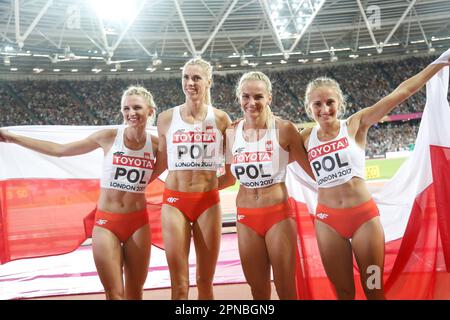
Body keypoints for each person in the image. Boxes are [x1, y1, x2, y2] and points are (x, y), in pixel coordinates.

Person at [300, 50, 450, 300]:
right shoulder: (304, 138)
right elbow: (275, 139)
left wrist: (440, 63)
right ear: (309, 107)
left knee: (373, 289)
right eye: (318, 104)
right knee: (344, 293)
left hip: (363, 220)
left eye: (330, 102)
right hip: (328, 222)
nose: (325, 109)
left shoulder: (355, 124)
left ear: (340, 103)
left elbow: (400, 93)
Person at [0, 86, 158, 300]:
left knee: (135, 292)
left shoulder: (157, 145)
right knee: (114, 293)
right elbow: (61, 151)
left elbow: (177, 164)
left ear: (150, 111)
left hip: (138, 222)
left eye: (137, 107)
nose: (131, 113)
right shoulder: (109, 136)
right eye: (126, 108)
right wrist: (13, 138)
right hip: (106, 222)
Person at [220, 71, 313, 299]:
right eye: (246, 96)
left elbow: (312, 171)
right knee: (258, 289)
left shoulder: (284, 129)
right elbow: (229, 178)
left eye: (258, 97)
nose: (252, 103)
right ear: (239, 98)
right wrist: (192, 188)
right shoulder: (231, 133)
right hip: (246, 217)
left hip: (278, 216)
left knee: (285, 288)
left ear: (269, 98)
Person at [151, 57, 232, 300]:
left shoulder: (221, 119)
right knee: (179, 284)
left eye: (196, 77)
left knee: (205, 281)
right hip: (175, 202)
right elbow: (162, 164)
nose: (190, 82)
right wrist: (137, 185)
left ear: (209, 81)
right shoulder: (166, 118)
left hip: (208, 203)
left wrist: (206, 190)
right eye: (186, 77)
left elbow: (230, 175)